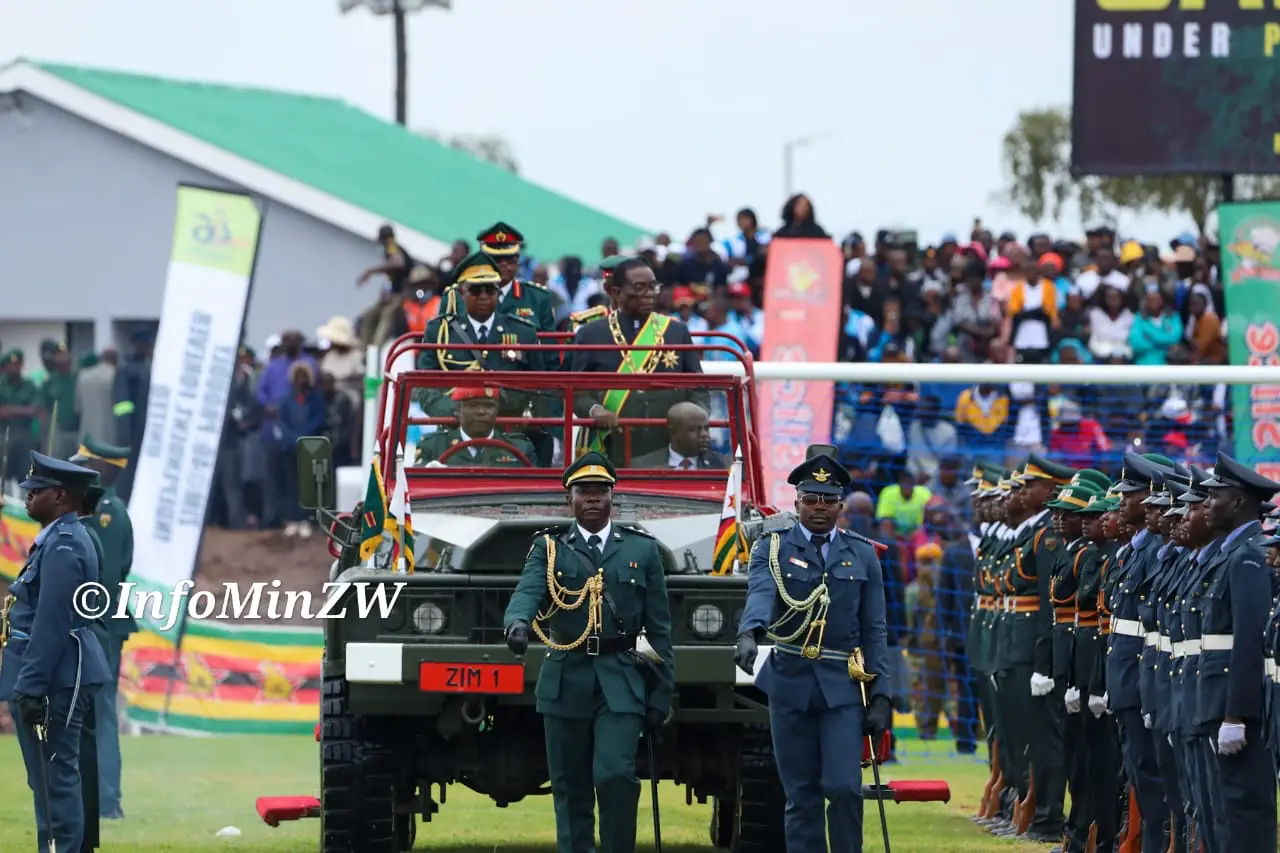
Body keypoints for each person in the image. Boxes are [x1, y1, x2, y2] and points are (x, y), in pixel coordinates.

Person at [502, 451, 674, 853]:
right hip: (567, 678)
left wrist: (662, 692)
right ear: (570, 500)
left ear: (614, 498)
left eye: (601, 491)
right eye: (584, 492)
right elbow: (527, 591)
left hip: (622, 678)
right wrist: (518, 623)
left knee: (615, 775)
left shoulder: (642, 549)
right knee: (569, 783)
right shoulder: (548, 548)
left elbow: (660, 629)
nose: (593, 498)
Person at [733, 454, 892, 853]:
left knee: (843, 788)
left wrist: (882, 694)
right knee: (800, 794)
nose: (819, 507)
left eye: (827, 499)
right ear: (797, 502)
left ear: (841, 505)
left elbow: (875, 630)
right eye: (810, 498)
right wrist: (749, 632)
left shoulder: (864, 554)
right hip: (789, 681)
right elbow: (762, 593)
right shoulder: (771, 548)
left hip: (842, 687)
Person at [0, 451, 112, 852]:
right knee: (48, 778)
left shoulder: (64, 545)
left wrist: (29, 687)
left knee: (55, 781)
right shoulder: (56, 540)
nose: (27, 497)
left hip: (56, 677)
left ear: (61, 495)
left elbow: (51, 622)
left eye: (36, 490)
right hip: (54, 673)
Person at [1196, 451, 1280, 849]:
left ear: (1239, 502)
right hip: (1217, 693)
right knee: (1227, 803)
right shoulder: (1231, 552)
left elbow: (1249, 639)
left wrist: (1237, 714)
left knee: (1245, 804)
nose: (1207, 504)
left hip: (1235, 701)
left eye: (1215, 496)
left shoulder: (1247, 555)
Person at [570, 257, 709, 465]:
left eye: (653, 287)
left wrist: (695, 420)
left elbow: (699, 388)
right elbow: (576, 391)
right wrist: (595, 410)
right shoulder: (591, 334)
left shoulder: (675, 331)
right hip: (611, 445)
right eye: (640, 287)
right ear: (616, 292)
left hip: (666, 447)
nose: (649, 294)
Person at [1107, 451, 1176, 853]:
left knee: (1151, 773)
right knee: (1138, 768)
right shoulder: (1134, 549)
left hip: (1141, 671)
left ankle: (1157, 843)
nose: (1122, 503)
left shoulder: (1153, 550)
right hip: (1126, 671)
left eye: (1130, 496)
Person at [69, 437, 135, 821]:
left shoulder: (106, 513)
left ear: (106, 469)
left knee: (101, 714)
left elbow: (105, 580)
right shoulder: (96, 509)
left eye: (87, 464)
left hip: (100, 625)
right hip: (98, 625)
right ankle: (94, 799)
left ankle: (108, 802)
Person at [416, 252, 546, 417]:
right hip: (454, 425)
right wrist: (453, 411)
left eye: (490, 290)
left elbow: (539, 386)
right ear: (462, 293)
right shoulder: (440, 331)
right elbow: (424, 384)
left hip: (507, 426)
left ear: (498, 293)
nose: (483, 296)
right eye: (476, 290)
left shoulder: (523, 332)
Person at [415, 387, 536, 467]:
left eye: (488, 406)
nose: (481, 412)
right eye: (473, 405)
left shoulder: (520, 449)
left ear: (497, 411)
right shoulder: (433, 447)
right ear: (458, 410)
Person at [471, 221, 557, 333]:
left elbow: (549, 346)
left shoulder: (538, 298)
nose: (503, 265)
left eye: (510, 259)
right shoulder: (462, 296)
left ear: (517, 261)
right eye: (496, 260)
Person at [111, 328, 154, 504]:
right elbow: (122, 403)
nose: (147, 346)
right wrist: (125, 432)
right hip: (132, 431)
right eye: (144, 343)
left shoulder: (151, 366)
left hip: (149, 430)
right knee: (128, 472)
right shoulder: (126, 368)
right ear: (136, 344)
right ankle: (124, 503)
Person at [629, 401, 726, 469]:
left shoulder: (724, 465)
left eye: (706, 428)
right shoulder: (642, 465)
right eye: (695, 429)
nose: (704, 434)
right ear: (674, 432)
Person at [1, 349, 41, 493]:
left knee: (26, 482)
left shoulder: (29, 385)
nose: (14, 368)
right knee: (3, 484)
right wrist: (22, 410)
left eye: (18, 364)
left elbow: (35, 410)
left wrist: (10, 409)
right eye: (11, 365)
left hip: (25, 440)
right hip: (3, 439)